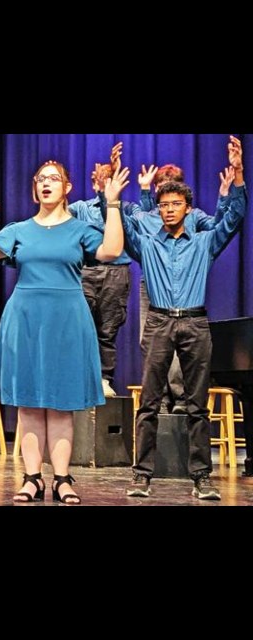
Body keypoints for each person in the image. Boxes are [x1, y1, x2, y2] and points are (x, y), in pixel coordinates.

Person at [0, 162, 127, 504]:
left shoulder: (79, 229)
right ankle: (32, 478)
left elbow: (111, 251)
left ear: (67, 187)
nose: (46, 184)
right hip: (26, 319)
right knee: (28, 404)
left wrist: (112, 204)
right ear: (33, 188)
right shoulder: (20, 229)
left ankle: (62, 479)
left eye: (53, 179)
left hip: (67, 320)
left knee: (60, 405)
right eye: (40, 179)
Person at [124, 152, 247, 501]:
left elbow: (233, 218)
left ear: (188, 209)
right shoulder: (148, 245)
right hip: (160, 320)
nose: (169, 210)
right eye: (163, 205)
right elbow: (121, 225)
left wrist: (237, 177)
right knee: (149, 403)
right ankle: (142, 475)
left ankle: (201, 478)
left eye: (176, 204)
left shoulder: (204, 242)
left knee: (197, 405)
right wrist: (112, 197)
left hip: (194, 321)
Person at [128, 139, 245, 411]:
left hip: (184, 289)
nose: (169, 207)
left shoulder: (192, 217)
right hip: (155, 286)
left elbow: (219, 228)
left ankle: (180, 398)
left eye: (172, 183)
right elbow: (139, 225)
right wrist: (144, 190)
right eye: (161, 184)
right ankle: (162, 401)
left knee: (183, 345)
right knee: (151, 344)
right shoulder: (151, 213)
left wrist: (225, 196)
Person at [68, 143, 131, 397]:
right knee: (81, 327)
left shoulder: (127, 209)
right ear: (94, 183)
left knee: (107, 329)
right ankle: (79, 377)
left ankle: (104, 378)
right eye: (100, 180)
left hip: (115, 272)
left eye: (109, 179)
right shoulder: (80, 208)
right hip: (87, 272)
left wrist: (112, 189)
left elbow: (111, 212)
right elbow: (57, 217)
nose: (104, 184)